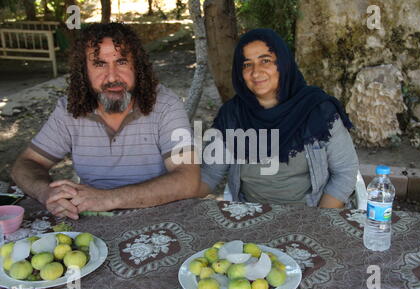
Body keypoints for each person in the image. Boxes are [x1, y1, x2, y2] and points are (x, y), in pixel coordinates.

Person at [11, 23, 199, 220]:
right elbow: (25, 164)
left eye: (122, 62)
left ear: (138, 66)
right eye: (99, 64)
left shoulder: (166, 105)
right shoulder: (71, 108)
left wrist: (109, 199)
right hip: (89, 217)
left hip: (158, 216)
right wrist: (46, 192)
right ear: (84, 71)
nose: (112, 76)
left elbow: (188, 179)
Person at [198, 28, 359, 208]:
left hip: (310, 214)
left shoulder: (317, 110)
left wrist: (318, 221)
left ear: (282, 63)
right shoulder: (233, 115)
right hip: (250, 216)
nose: (256, 72)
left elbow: (345, 172)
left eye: (265, 61)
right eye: (247, 64)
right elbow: (210, 175)